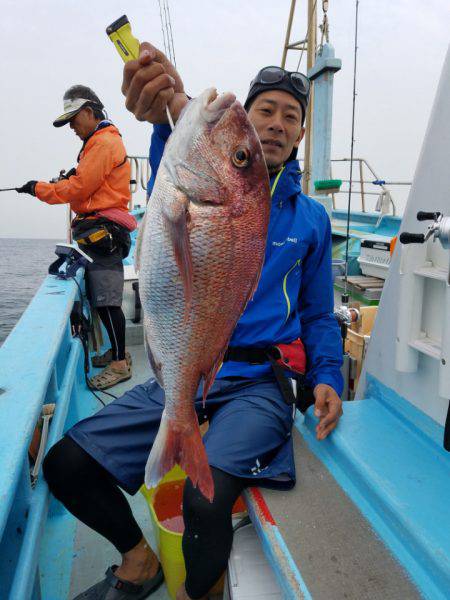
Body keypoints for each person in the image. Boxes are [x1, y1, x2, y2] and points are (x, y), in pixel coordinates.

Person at [43, 44, 344, 600]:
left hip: (258, 381)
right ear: (248, 123)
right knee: (65, 463)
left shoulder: (313, 221)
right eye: (265, 111)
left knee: (203, 499)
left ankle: (192, 593)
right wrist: (167, 115)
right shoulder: (196, 175)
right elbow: (173, 180)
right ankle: (139, 561)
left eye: (291, 116)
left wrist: (329, 375)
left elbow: (319, 314)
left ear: (300, 134)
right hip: (183, 366)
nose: (277, 125)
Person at [17, 86, 136, 390]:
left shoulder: (103, 143)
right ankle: (117, 353)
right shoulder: (100, 143)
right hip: (100, 233)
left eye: (73, 120)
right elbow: (86, 182)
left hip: (103, 234)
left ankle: (120, 364)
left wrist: (39, 188)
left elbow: (79, 190)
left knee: (107, 302)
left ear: (88, 111)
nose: (71, 127)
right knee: (103, 300)